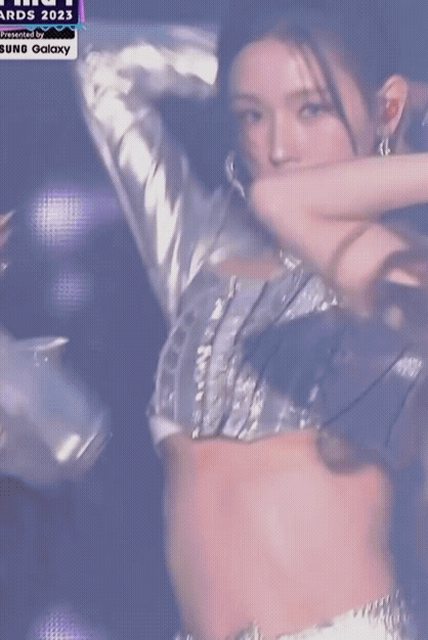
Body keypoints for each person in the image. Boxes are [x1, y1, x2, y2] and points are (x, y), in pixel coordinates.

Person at [77, 1, 428, 638]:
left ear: (388, 108)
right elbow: (94, 60)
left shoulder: (398, 268)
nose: (279, 147)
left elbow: (278, 198)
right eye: (251, 116)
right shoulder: (203, 254)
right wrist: (235, 63)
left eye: (312, 109)